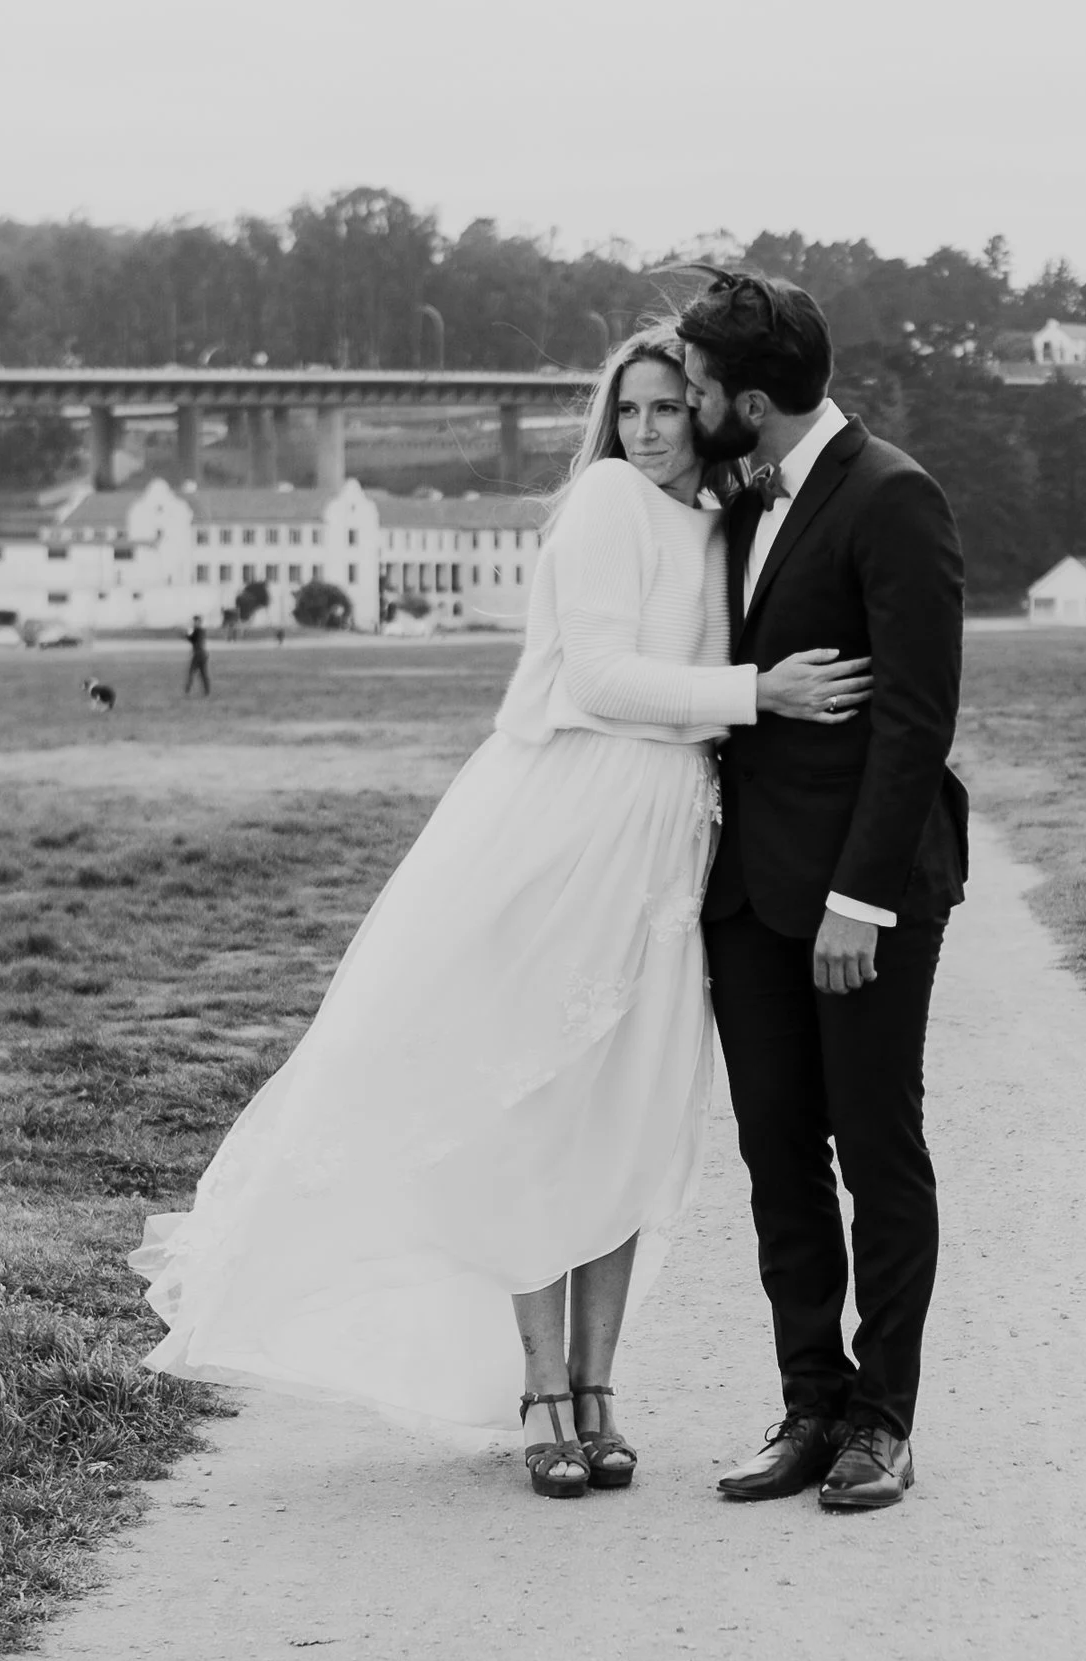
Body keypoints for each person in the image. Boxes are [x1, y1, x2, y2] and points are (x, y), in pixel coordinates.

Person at [129, 324, 873, 1499]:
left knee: (627, 1117)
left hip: (669, 839)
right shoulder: (602, 506)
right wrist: (756, 693)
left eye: (668, 408)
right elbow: (594, 678)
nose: (645, 429)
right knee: (540, 1099)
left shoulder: (723, 519)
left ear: (710, 411)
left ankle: (601, 1385)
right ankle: (542, 1388)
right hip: (570, 823)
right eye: (627, 409)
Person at [678, 270, 968, 1512]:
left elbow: (914, 719)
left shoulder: (894, 496)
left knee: (876, 1149)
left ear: (752, 398)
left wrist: (862, 900)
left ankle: (882, 1420)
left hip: (864, 893)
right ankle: (809, 1401)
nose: (685, 406)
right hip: (746, 891)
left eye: (696, 389)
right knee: (776, 1154)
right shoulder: (737, 503)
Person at [182, 617, 211, 697]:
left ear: (198, 622)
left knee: (192, 672)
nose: (193, 623)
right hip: (204, 654)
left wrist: (186, 634)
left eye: (195, 621)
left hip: (198, 654)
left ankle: (187, 691)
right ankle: (207, 691)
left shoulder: (197, 630)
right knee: (204, 674)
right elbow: (192, 639)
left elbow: (192, 639)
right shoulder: (201, 630)